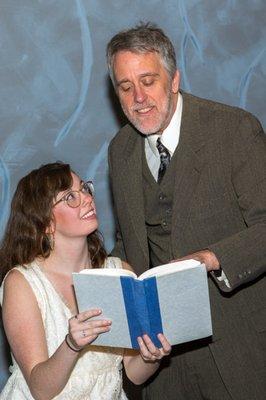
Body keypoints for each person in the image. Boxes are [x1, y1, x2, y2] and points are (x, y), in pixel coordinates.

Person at [106, 22, 266, 400]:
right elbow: (130, 241)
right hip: (162, 363)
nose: (138, 98)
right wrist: (100, 277)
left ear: (174, 79)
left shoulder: (234, 130)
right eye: (125, 87)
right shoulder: (120, 150)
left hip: (239, 349)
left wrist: (211, 258)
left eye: (148, 81)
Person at [0, 161, 171, 400]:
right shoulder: (23, 283)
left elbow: (135, 373)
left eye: (84, 189)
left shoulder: (119, 271)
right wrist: (71, 344)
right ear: (46, 223)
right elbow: (40, 390)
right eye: (70, 196)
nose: (87, 199)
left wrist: (152, 355)